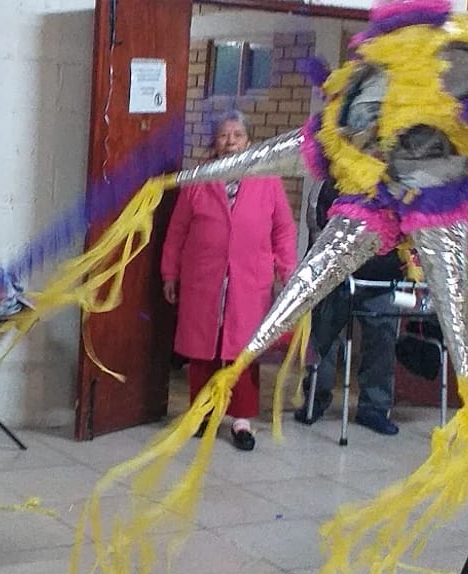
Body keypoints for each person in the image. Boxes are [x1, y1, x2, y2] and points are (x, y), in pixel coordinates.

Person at [161, 111, 298, 451]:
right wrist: (170, 272)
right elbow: (177, 231)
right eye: (224, 135)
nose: (230, 141)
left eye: (237, 135)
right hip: (203, 279)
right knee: (202, 349)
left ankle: (241, 419)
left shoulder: (268, 179)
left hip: (250, 280)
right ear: (214, 143)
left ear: (249, 142)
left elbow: (283, 228)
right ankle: (201, 413)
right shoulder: (198, 180)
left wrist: (287, 270)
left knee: (242, 351)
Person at [293, 178, 403, 435]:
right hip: (336, 274)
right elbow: (318, 227)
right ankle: (315, 399)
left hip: (383, 275)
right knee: (324, 339)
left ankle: (374, 408)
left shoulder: (397, 181)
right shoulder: (331, 180)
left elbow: (406, 228)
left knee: (383, 339)